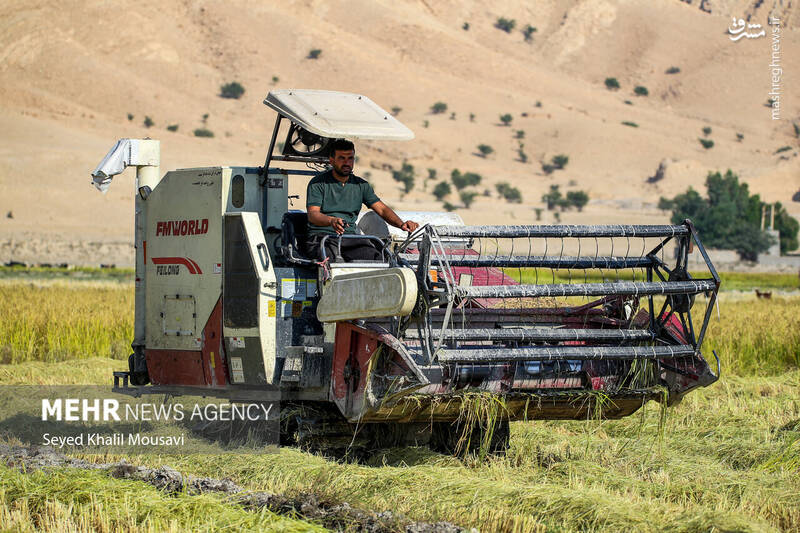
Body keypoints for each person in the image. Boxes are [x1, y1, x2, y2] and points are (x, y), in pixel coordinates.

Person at [305, 139, 419, 262]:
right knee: (331, 262)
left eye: (350, 158)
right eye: (342, 158)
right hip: (321, 238)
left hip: (350, 238)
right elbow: (313, 214)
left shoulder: (361, 185)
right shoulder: (318, 183)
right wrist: (331, 221)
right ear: (331, 160)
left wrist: (401, 224)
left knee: (377, 259)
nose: (347, 163)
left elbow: (381, 209)